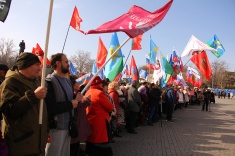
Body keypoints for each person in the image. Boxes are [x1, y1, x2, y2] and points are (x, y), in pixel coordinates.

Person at [0, 53, 48, 155]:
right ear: (25, 65)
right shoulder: (11, 83)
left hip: (37, 143)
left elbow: (41, 111)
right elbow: (9, 110)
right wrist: (33, 96)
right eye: (36, 64)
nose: (39, 68)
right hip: (21, 144)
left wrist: (45, 131)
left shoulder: (36, 82)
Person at [45, 53, 82, 156]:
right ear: (58, 63)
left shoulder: (68, 81)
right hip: (56, 128)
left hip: (68, 127)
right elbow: (50, 107)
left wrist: (76, 99)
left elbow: (69, 100)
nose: (68, 64)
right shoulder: (49, 81)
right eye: (66, 62)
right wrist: (71, 104)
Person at [85, 76, 114, 156]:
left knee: (92, 145)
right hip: (100, 123)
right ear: (98, 84)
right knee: (102, 147)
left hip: (91, 122)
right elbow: (110, 107)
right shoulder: (99, 93)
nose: (102, 84)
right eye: (101, 83)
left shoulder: (88, 92)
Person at [69, 76, 92, 156]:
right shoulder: (72, 95)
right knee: (73, 147)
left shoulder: (76, 94)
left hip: (78, 124)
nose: (78, 83)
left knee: (76, 145)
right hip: (75, 124)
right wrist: (82, 100)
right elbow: (76, 109)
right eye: (76, 82)